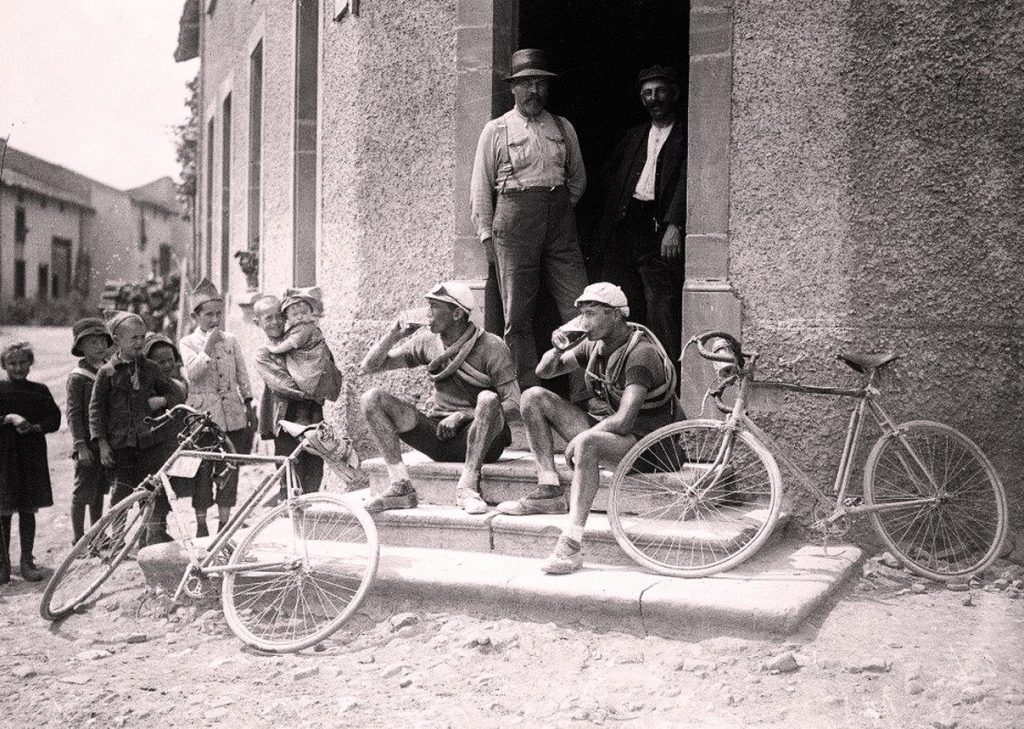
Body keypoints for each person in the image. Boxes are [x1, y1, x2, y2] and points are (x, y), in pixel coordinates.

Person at [496, 283, 682, 574]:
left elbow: (623, 421)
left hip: (652, 446)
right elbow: (545, 372)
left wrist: (584, 436)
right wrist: (558, 349)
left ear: (615, 315)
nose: (584, 322)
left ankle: (570, 545)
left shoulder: (640, 353)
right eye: (582, 314)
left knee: (588, 444)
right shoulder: (595, 345)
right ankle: (549, 488)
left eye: (591, 314)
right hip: (620, 436)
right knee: (533, 397)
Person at [470, 47, 589, 389]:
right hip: (513, 226)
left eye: (540, 84)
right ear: (513, 88)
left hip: (559, 224)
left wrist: (555, 207)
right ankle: (523, 394)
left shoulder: (563, 127)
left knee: (580, 307)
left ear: (548, 88)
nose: (534, 91)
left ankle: (586, 394)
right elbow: (480, 187)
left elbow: (577, 179)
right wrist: (486, 236)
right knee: (517, 317)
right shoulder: (496, 130)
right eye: (526, 84)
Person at [359, 281, 520, 514]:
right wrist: (394, 334)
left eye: (435, 307)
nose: (428, 313)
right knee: (372, 398)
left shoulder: (492, 346)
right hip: (438, 435)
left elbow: (515, 405)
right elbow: (369, 367)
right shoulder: (427, 341)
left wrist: (464, 415)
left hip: (482, 439)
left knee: (487, 398)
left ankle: (468, 487)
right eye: (428, 306)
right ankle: (401, 486)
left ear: (456, 313)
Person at [596, 65, 686, 369]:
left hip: (658, 229)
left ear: (673, 93)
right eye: (647, 93)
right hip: (626, 224)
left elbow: (691, 178)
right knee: (619, 304)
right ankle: (620, 375)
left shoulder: (686, 134)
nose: (654, 98)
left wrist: (674, 223)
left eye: (660, 91)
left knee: (660, 305)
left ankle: (664, 377)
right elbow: (609, 171)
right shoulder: (636, 135)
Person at [89, 312, 186, 541]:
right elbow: (96, 411)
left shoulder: (151, 368)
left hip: (150, 443)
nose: (139, 343)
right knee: (121, 493)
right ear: (116, 340)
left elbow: (176, 394)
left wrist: (162, 401)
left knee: (154, 493)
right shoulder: (107, 373)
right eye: (133, 338)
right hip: (121, 445)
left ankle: (150, 537)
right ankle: (117, 539)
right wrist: (102, 445)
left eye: (142, 337)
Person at [178, 278, 255, 537]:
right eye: (208, 315)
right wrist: (209, 346)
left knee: (230, 468)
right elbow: (193, 375)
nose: (214, 319)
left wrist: (248, 402)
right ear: (194, 316)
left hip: (231, 414)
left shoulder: (231, 340)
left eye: (218, 314)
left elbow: (242, 374)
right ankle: (201, 524)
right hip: (202, 414)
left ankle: (224, 523)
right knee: (203, 469)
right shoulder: (188, 343)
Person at [0, 341, 62, 583]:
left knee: (27, 508)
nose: (18, 367)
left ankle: (27, 561)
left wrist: (36, 427)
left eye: (23, 362)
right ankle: (3, 564)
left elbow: (54, 419)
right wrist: (10, 418)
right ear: (3, 365)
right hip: (3, 457)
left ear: (31, 364)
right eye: (12, 363)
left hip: (30, 456)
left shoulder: (40, 390)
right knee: (3, 510)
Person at [253, 295, 325, 497]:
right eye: (268, 318)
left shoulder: (301, 338)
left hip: (313, 414)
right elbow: (281, 385)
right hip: (285, 419)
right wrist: (312, 391)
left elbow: (325, 364)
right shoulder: (264, 353)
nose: (275, 322)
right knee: (290, 470)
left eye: (278, 316)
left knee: (315, 466)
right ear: (258, 322)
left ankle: (312, 516)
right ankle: (290, 515)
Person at [65, 318, 112, 545]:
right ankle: (78, 538)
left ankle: (98, 535)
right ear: (81, 347)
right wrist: (80, 445)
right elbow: (73, 413)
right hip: (87, 444)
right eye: (92, 342)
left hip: (105, 440)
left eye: (102, 340)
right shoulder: (78, 377)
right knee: (83, 491)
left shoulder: (110, 369)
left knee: (100, 490)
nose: (99, 346)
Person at [143, 333, 191, 545]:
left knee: (166, 491)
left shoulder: (174, 382)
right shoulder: (146, 383)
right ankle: (148, 537)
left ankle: (159, 531)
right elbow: (144, 405)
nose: (166, 365)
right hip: (152, 446)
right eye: (160, 361)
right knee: (152, 494)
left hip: (170, 444)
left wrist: (163, 400)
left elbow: (180, 394)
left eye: (170, 360)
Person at [265, 286, 342, 405]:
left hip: (312, 366)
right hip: (314, 366)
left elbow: (290, 344)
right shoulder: (300, 328)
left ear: (311, 313)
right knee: (315, 404)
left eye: (304, 313)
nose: (300, 317)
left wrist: (274, 349)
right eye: (295, 315)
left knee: (309, 393)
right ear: (287, 318)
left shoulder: (304, 329)